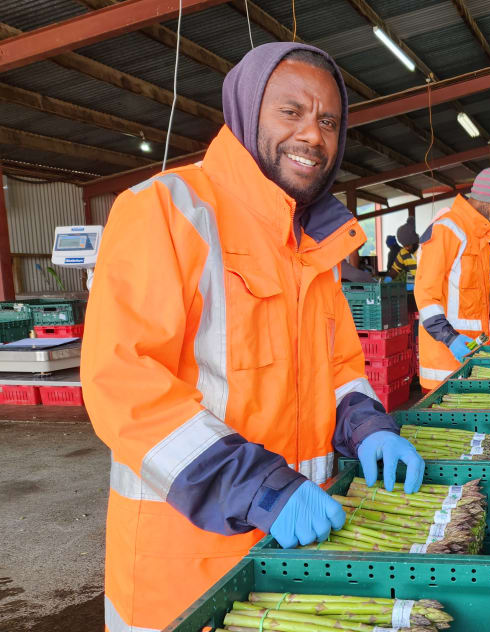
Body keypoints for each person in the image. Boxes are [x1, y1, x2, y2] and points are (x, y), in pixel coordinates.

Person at [80, 43, 425, 631]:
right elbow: (125, 384)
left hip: (297, 557)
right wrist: (262, 490)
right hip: (187, 562)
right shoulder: (167, 211)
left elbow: (340, 369)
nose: (313, 136)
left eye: (328, 121)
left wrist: (367, 428)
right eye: (290, 112)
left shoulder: (316, 245)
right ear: (244, 113)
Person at [416, 167, 490, 390]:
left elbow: (466, 291)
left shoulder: (478, 236)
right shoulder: (446, 230)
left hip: (472, 353)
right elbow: (426, 297)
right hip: (445, 363)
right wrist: (450, 338)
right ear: (485, 200)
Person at [388, 218, 419, 284]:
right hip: (412, 286)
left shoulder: (424, 249)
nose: (406, 248)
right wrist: (388, 279)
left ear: (414, 241)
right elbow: (395, 269)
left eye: (408, 245)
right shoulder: (403, 252)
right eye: (404, 245)